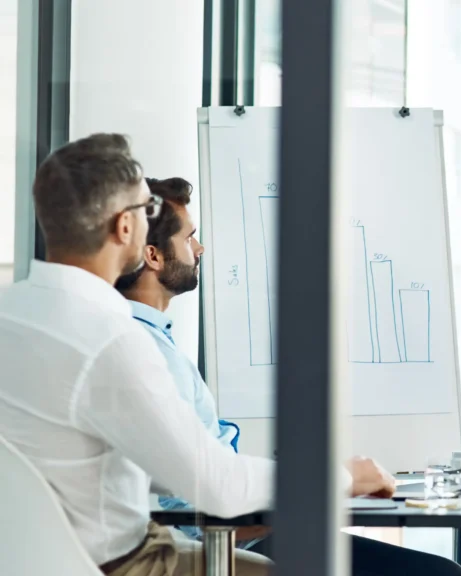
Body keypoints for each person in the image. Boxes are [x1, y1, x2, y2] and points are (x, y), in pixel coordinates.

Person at [113, 176, 461, 576]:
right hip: (219, 545)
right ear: (154, 256)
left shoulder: (148, 340)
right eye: (190, 237)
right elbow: (196, 503)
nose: (199, 248)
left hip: (238, 532)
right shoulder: (145, 352)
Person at [0, 134, 274, 575]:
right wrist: (341, 477)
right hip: (118, 564)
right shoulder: (110, 339)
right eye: (148, 209)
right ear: (125, 227)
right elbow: (218, 488)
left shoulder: (10, 313)